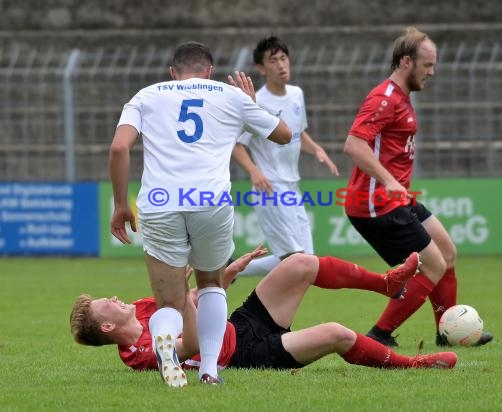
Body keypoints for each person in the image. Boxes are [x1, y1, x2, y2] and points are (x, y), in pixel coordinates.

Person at [109, 41, 292, 386]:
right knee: (210, 284)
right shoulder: (228, 94)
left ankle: (166, 347)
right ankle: (209, 369)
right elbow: (283, 135)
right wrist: (250, 107)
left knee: (170, 300)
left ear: (172, 73)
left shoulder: (146, 96)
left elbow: (120, 147)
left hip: (160, 203)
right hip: (210, 201)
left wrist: (121, 205)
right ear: (209, 70)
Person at [71, 250, 459, 381]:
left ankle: (386, 284)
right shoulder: (139, 355)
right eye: (108, 303)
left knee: (300, 264)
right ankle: (414, 363)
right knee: (336, 333)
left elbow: (196, 298)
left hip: (237, 324)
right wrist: (184, 294)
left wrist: (223, 276)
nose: (116, 297)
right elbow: (190, 342)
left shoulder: (143, 306)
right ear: (107, 327)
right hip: (245, 355)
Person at [342, 27, 493, 348]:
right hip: (376, 203)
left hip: (396, 199)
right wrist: (388, 180)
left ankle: (447, 331)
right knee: (433, 264)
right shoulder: (384, 99)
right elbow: (354, 144)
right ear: (406, 61)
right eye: (427, 65)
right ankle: (379, 334)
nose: (432, 72)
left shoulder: (400, 98)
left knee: (447, 253)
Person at [232, 36, 339, 276]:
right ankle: (236, 279)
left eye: (283, 58)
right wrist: (254, 171)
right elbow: (236, 145)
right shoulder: (256, 102)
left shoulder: (296, 94)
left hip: (292, 186)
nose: (281, 65)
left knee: (306, 260)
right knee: (297, 262)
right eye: (273, 61)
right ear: (261, 68)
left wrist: (317, 150)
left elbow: (298, 133)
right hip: (269, 187)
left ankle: (230, 270)